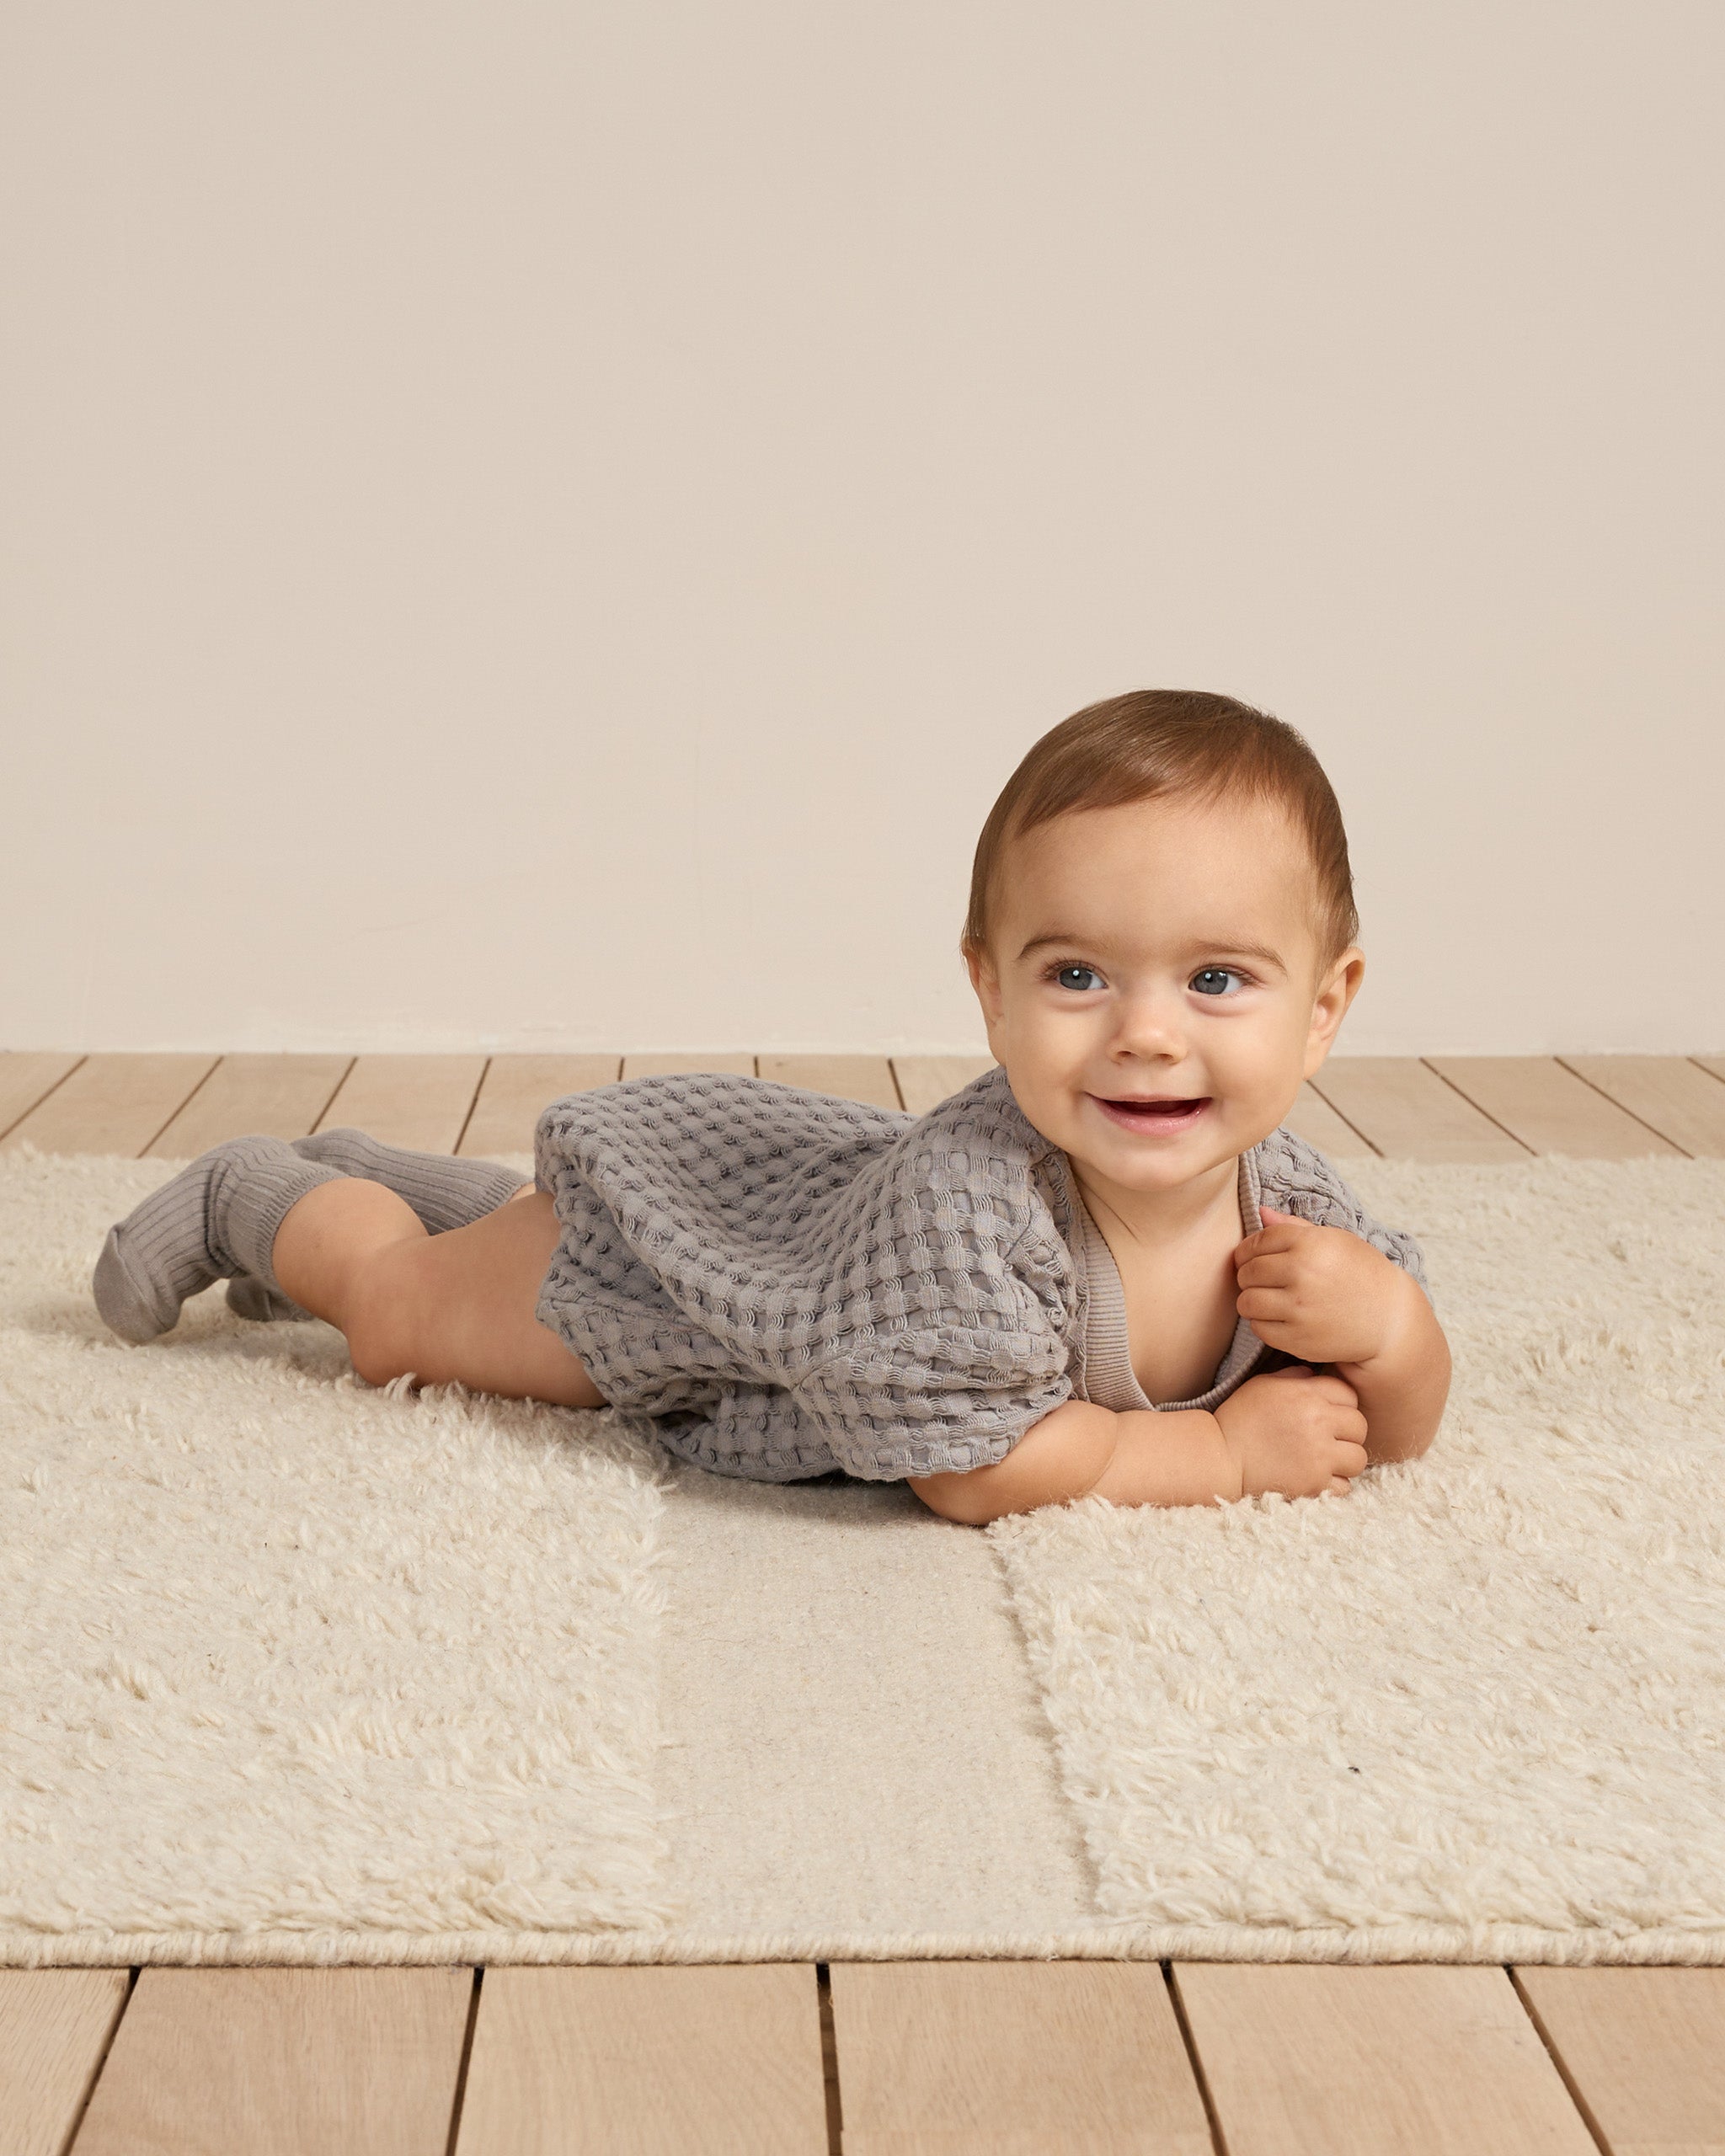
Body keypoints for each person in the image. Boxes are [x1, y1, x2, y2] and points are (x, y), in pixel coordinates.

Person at [92, 689, 1450, 1523]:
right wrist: (1215, 1454)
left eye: (1217, 979)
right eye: (1078, 973)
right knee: (402, 1320)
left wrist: (1394, 1336)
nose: (1146, 1034)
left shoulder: (1299, 1209)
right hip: (672, 1301)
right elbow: (972, 1473)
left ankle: (379, 1172)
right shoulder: (972, 1220)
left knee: (506, 1234)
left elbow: (1378, 1428)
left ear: (1324, 1008)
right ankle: (257, 1190)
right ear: (990, 989)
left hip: (767, 1228)